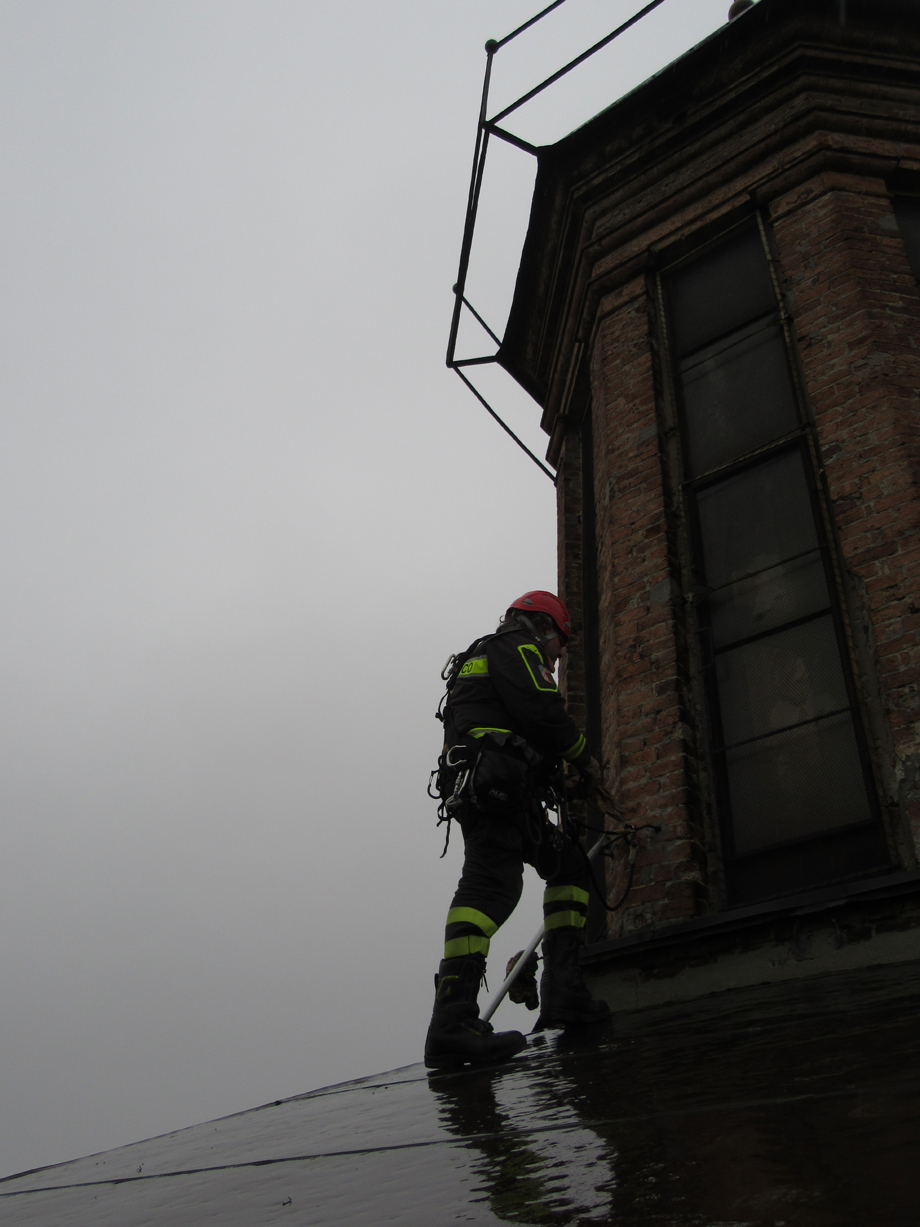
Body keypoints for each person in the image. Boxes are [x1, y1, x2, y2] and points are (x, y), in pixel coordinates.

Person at [425, 591, 610, 1069]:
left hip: (501, 790)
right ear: (542, 626)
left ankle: (564, 993)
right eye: (561, 641)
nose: (561, 652)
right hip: (495, 792)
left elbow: (507, 726)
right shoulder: (517, 648)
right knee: (492, 887)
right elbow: (540, 711)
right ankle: (452, 1021)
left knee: (568, 866)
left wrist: (555, 775)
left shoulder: (485, 655)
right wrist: (583, 758)